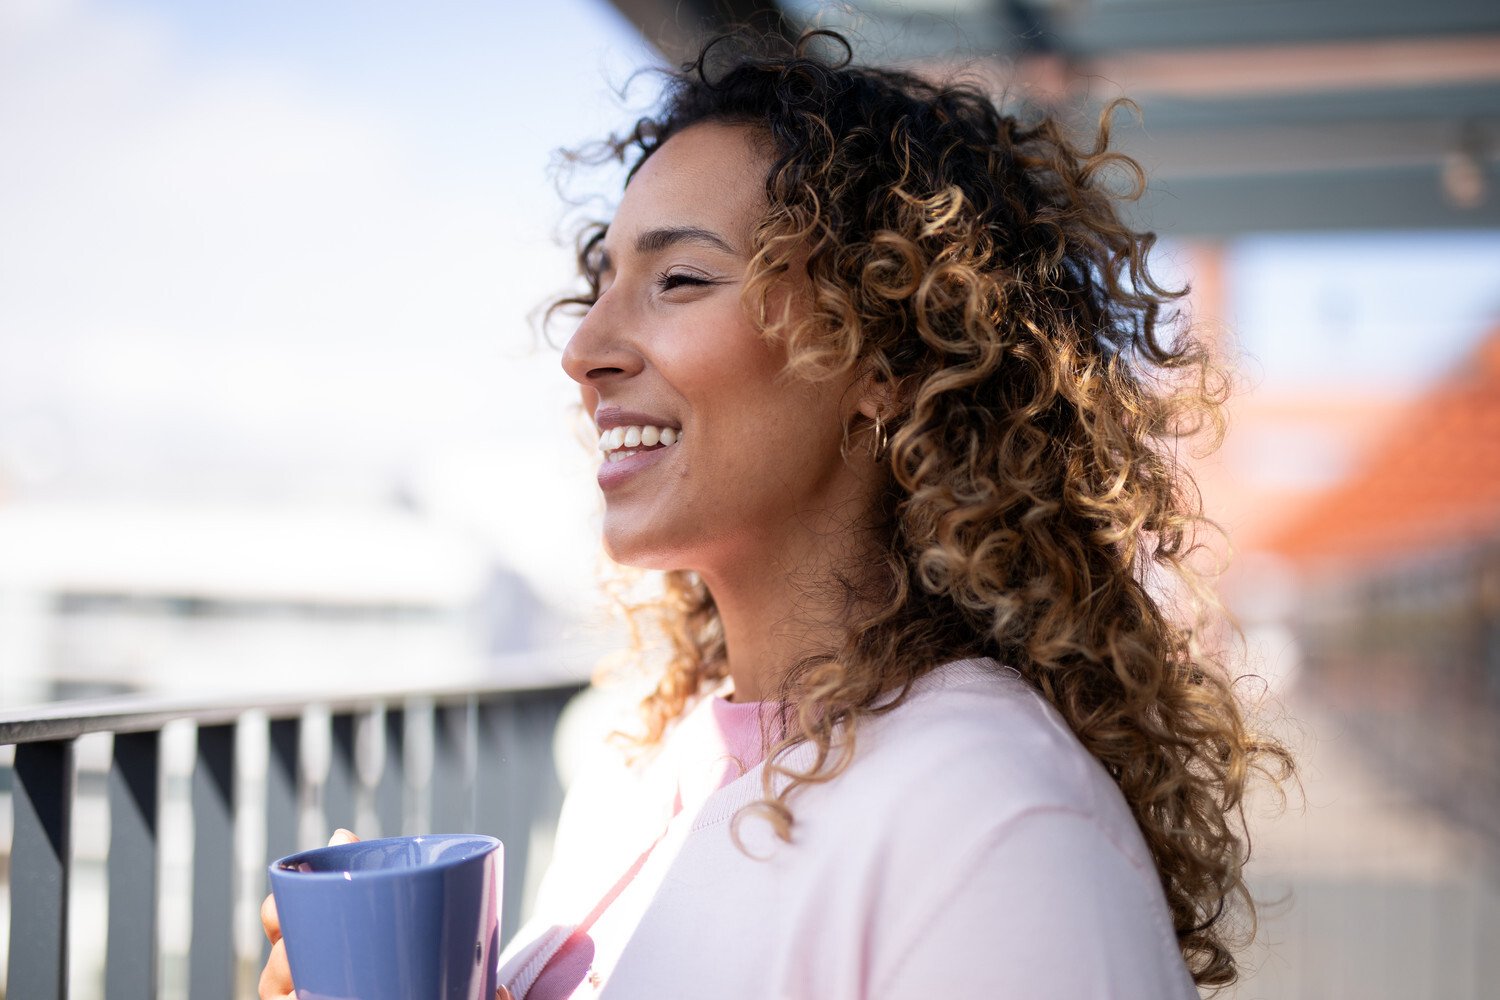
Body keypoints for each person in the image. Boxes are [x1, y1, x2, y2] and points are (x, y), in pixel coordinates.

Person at [261, 29, 1291, 1000]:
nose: (584, 352)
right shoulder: (642, 777)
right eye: (601, 283)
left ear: (886, 358)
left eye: (679, 279)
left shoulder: (998, 827)